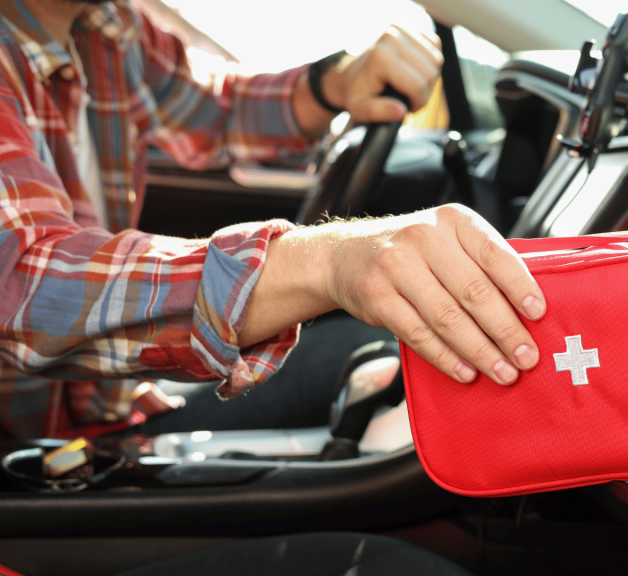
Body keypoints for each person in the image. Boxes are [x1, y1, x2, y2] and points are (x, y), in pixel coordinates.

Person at [0, 0, 546, 440]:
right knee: (383, 356)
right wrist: (326, 262)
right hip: (32, 459)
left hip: (113, 403)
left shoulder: (106, 25)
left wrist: (337, 82)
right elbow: (24, 283)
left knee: (383, 357)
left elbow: (216, 106)